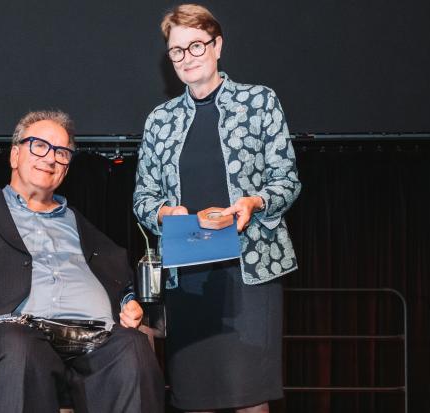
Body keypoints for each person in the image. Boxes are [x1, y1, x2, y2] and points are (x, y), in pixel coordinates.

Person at [0, 110, 164, 413]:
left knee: (134, 347)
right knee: (19, 348)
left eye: (62, 152)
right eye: (39, 146)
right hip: (16, 334)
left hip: (97, 340)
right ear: (14, 155)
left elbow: (122, 283)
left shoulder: (89, 231)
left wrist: (129, 302)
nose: (50, 158)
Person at [133, 4, 301, 413]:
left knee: (249, 397)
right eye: (177, 51)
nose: (187, 58)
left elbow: (288, 180)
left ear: (218, 45)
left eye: (197, 46)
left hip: (251, 269)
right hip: (187, 275)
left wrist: (254, 202)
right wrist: (161, 215)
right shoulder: (159, 120)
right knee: (194, 398)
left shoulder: (260, 102)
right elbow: (143, 198)